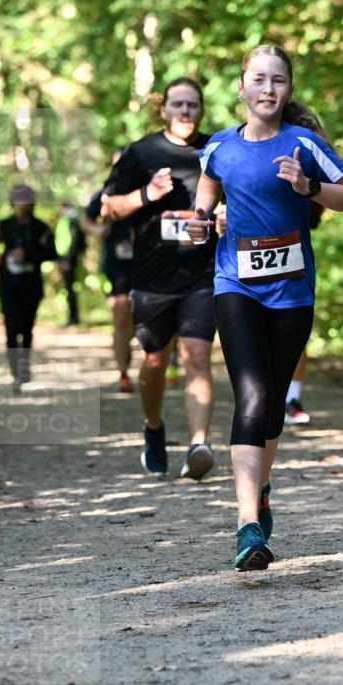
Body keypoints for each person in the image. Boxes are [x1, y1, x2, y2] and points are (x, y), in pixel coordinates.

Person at [188, 44, 343, 570]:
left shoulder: (304, 144)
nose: (267, 88)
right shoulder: (218, 148)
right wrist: (200, 223)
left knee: (274, 399)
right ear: (241, 88)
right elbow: (207, 196)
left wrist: (309, 187)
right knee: (253, 397)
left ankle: (261, 489)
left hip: (292, 291)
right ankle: (247, 524)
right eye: (258, 79)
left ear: (288, 90)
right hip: (234, 283)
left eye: (278, 80)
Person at [101, 77, 216, 480]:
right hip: (152, 278)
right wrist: (146, 195)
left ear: (201, 109)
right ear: (163, 109)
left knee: (197, 357)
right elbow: (108, 207)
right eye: (178, 105)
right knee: (153, 360)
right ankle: (153, 428)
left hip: (203, 273)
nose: (185, 112)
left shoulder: (216, 148)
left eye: (193, 105)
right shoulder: (141, 152)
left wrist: (228, 215)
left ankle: (198, 444)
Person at [0, 184, 57, 385]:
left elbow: (51, 252)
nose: (22, 205)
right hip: (8, 284)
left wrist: (28, 255)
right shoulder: (4, 226)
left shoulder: (40, 228)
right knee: (11, 327)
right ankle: (14, 370)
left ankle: (24, 367)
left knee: (26, 328)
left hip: (31, 284)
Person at [82, 182, 135, 393]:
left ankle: (131, 348)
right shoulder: (106, 192)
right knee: (121, 316)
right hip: (116, 266)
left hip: (147, 264)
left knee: (142, 319)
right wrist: (96, 230)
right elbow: (85, 219)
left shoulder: (151, 188)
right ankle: (123, 373)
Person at [284, 201, 324, 425]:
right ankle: (259, 397)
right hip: (244, 255)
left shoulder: (303, 164)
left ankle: (292, 399)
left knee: (295, 332)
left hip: (292, 252)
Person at [56, 200, 86, 327]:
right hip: (64, 257)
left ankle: (73, 317)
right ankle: (72, 316)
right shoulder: (66, 219)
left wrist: (68, 258)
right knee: (68, 287)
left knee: (70, 288)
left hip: (68, 258)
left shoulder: (71, 219)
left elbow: (74, 240)